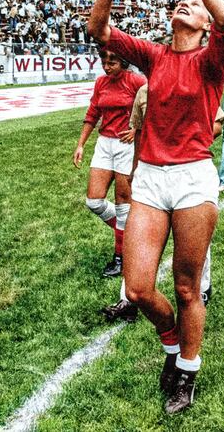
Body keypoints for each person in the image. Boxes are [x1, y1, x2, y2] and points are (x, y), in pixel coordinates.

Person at [88, 0, 224, 414]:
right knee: (138, 288)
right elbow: (99, 30)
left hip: (193, 177)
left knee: (189, 286)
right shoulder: (154, 55)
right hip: (150, 175)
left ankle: (186, 371)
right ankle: (172, 346)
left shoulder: (212, 58)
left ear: (201, 24)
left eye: (192, 5)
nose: (184, 5)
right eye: (180, 2)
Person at [100, 83, 224, 322]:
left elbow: (217, 124)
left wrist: (182, 140)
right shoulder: (144, 92)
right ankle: (127, 299)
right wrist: (135, 168)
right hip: (151, 173)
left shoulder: (195, 85)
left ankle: (203, 287)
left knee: (194, 240)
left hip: (188, 172)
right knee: (138, 239)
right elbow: (137, 132)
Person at [73, 49, 145, 277]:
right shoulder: (101, 82)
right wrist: (81, 144)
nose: (107, 66)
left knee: (123, 202)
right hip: (105, 143)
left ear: (123, 62)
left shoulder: (137, 80)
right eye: (104, 62)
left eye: (112, 62)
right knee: (94, 201)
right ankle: (129, 233)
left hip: (126, 145)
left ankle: (120, 257)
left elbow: (148, 110)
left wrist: (136, 129)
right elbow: (93, 113)